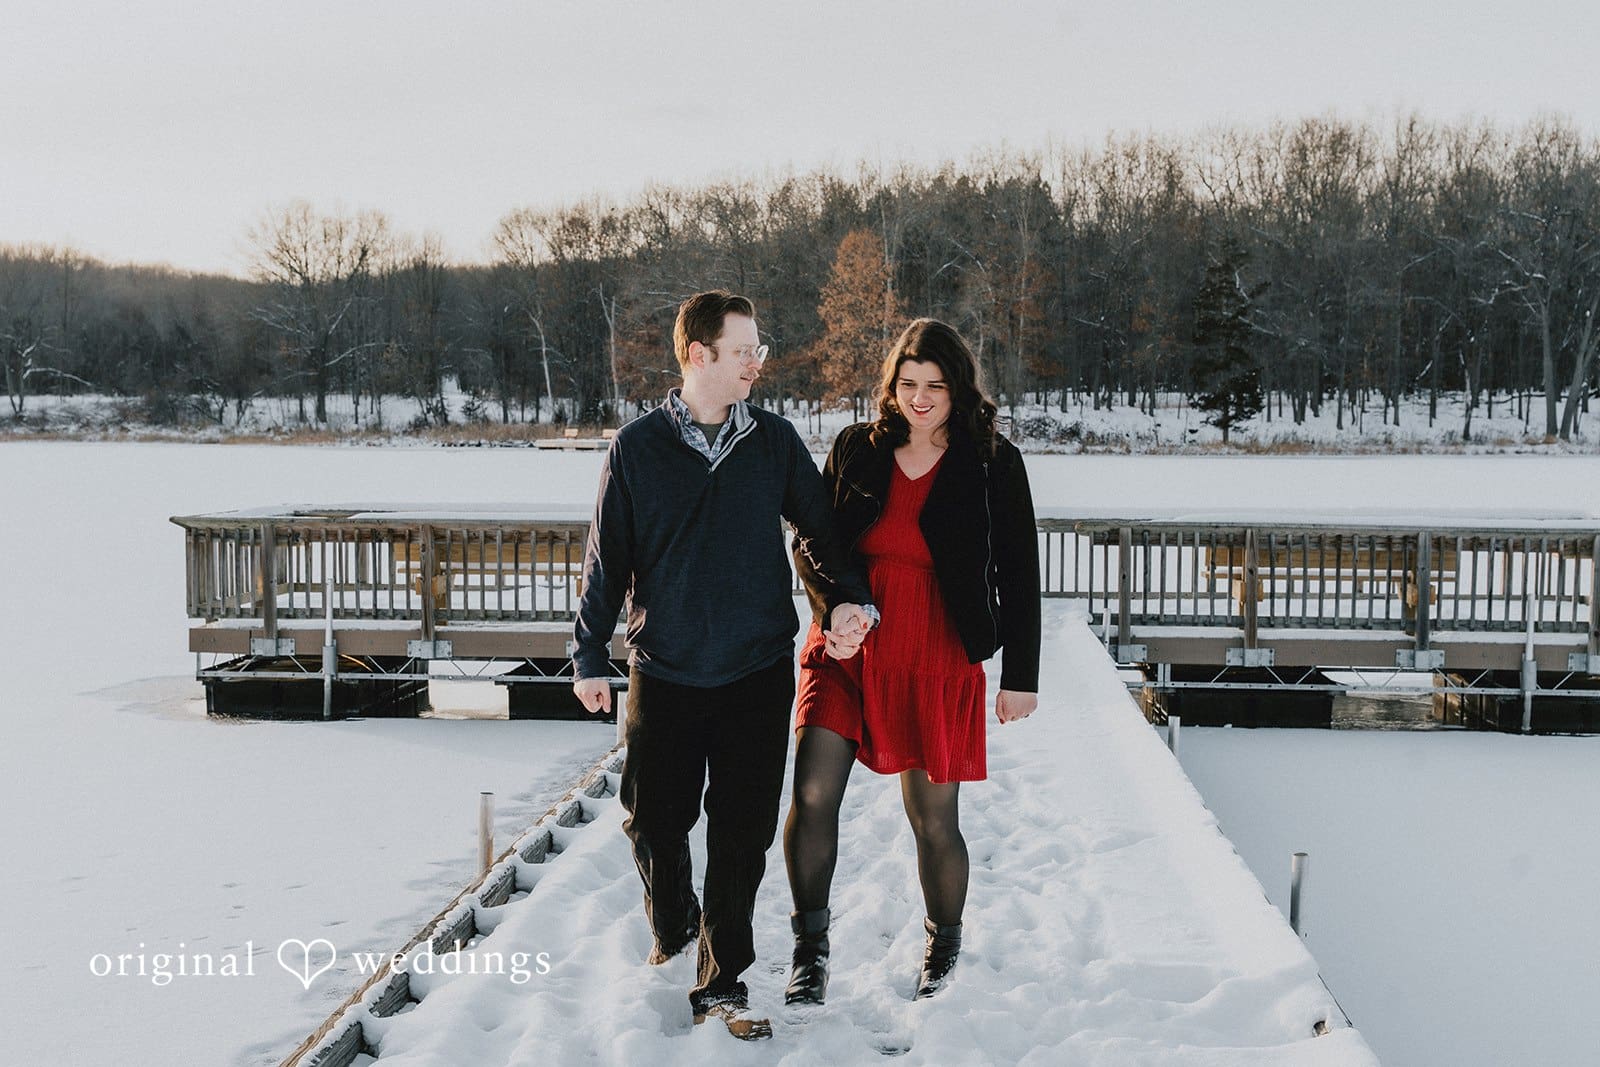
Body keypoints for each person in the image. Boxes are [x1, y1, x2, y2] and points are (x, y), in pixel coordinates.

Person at [571, 290, 877, 1041]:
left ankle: (722, 982)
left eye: (759, 350)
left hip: (754, 671)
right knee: (652, 819)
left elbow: (821, 534)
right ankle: (675, 923)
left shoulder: (772, 442)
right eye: (745, 350)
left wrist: (847, 599)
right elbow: (606, 564)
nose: (757, 362)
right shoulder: (636, 449)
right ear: (698, 355)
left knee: (740, 833)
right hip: (665, 669)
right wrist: (588, 653)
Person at [783, 317, 1041, 1006]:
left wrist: (1021, 676)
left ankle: (943, 946)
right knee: (811, 791)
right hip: (851, 643)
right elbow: (813, 543)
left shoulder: (992, 462)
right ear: (890, 385)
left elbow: (1020, 571)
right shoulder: (856, 450)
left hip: (937, 649)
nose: (919, 399)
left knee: (932, 818)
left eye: (934, 386)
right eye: (907, 384)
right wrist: (831, 608)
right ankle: (810, 951)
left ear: (959, 389)